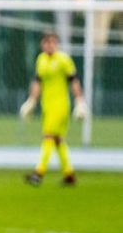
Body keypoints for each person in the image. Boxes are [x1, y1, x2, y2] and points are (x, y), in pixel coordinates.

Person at [19, 31, 89, 186]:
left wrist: (79, 101)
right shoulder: (41, 60)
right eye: (46, 42)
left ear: (56, 44)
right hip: (47, 106)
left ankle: (38, 173)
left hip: (60, 105)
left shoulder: (63, 60)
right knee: (58, 140)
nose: (49, 45)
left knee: (48, 136)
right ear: (42, 44)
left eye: (52, 42)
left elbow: (74, 81)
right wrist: (31, 101)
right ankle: (69, 174)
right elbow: (37, 82)